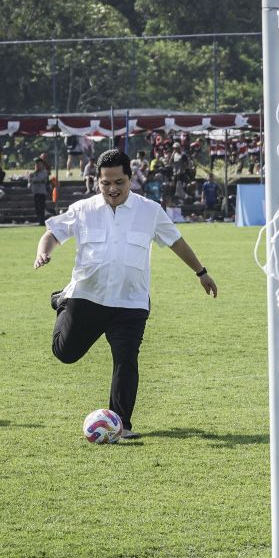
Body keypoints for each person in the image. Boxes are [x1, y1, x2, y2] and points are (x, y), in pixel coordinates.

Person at [34, 149, 218, 439]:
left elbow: (176, 242)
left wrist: (201, 271)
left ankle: (122, 425)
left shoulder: (149, 211)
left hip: (131, 303)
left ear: (131, 179)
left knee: (126, 358)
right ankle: (62, 301)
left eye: (119, 182)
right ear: (97, 181)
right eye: (106, 183)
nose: (112, 189)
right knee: (65, 353)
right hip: (87, 298)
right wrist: (43, 253)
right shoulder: (84, 210)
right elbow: (53, 234)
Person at [28, 158, 50, 226]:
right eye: (36, 164)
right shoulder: (31, 173)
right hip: (35, 192)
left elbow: (43, 180)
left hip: (42, 192)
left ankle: (42, 221)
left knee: (42, 207)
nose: (38, 166)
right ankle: (39, 220)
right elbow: (29, 183)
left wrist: (35, 180)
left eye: (39, 164)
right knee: (37, 207)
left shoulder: (44, 172)